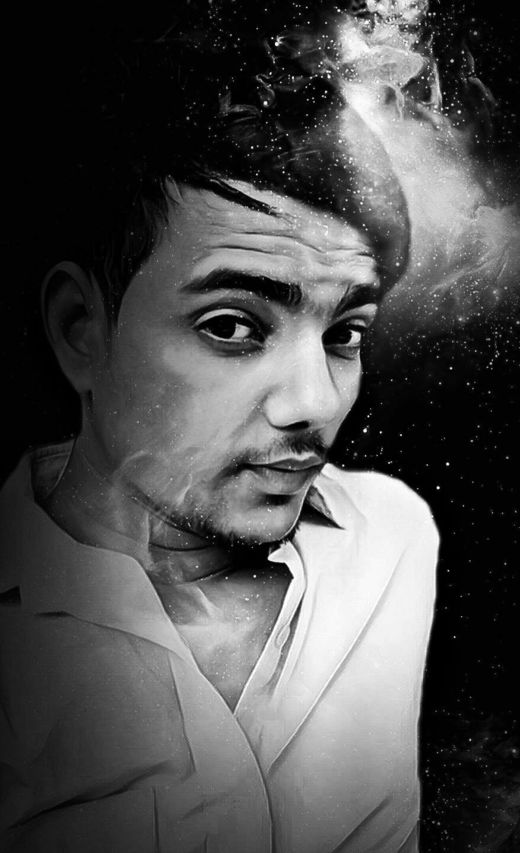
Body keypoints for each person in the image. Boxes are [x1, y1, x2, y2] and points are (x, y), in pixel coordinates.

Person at [0, 4, 439, 851]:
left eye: (345, 333)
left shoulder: (393, 538)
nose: (315, 403)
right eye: (232, 326)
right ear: (82, 330)